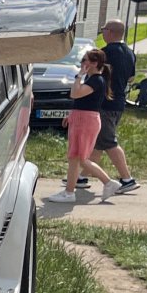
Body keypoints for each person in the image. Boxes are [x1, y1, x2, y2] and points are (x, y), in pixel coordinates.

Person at [46, 48, 122, 203]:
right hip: (81, 118)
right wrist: (72, 114)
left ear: (94, 63)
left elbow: (75, 94)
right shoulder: (92, 79)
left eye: (84, 60)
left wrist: (79, 75)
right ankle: (69, 192)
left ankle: (108, 182)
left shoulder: (96, 80)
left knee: (80, 158)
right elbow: (83, 101)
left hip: (86, 121)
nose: (82, 63)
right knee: (75, 158)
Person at [92, 18, 139, 192]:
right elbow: (131, 78)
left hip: (106, 103)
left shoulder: (104, 54)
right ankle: (81, 176)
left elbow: (93, 75)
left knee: (109, 141)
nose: (102, 32)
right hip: (119, 101)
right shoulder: (129, 53)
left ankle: (127, 179)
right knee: (98, 141)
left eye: (104, 29)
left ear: (110, 32)